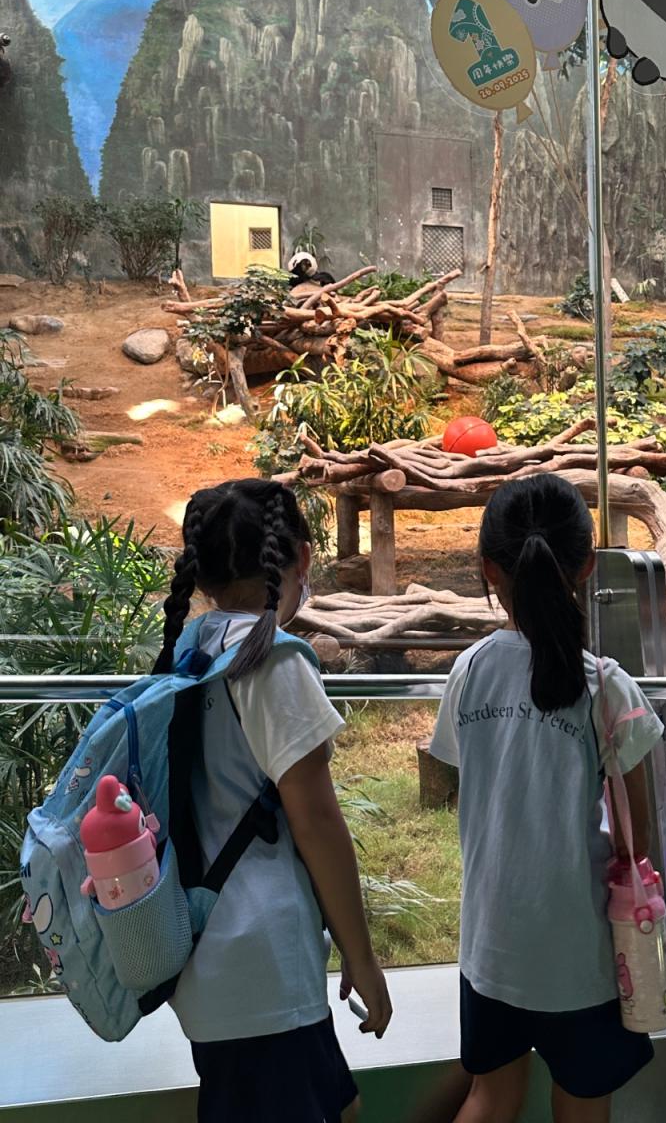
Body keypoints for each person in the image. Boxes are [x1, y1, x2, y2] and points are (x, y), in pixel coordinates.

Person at [153, 478, 392, 1122]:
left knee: (340, 1105)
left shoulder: (191, 647)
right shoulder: (274, 662)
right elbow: (317, 823)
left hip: (211, 953)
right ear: (303, 558)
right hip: (261, 965)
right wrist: (362, 957)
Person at [430, 474, 664, 1123]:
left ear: (488, 569)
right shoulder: (606, 686)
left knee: (491, 1097)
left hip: (492, 941)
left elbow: (469, 777)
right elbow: (637, 839)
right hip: (579, 954)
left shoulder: (470, 669)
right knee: (582, 1104)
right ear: (587, 566)